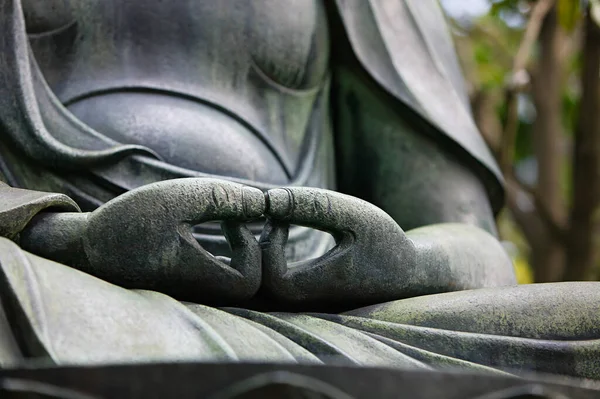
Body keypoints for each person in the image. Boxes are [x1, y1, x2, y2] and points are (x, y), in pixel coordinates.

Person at [0, 0, 598, 379]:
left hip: (334, 315)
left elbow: (478, 248)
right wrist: (67, 235)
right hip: (45, 270)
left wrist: (405, 262)